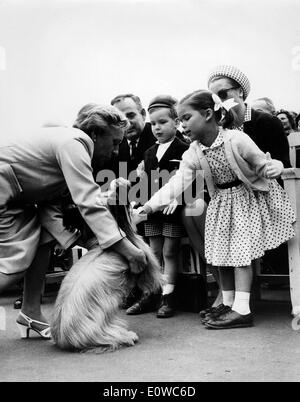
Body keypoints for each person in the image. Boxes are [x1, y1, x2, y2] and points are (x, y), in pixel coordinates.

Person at [138, 90, 295, 329]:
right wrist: (148, 207)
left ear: (208, 114)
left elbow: (262, 164)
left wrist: (275, 166)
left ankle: (243, 309)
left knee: (240, 253)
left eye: (186, 118)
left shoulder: (236, 139)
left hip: (247, 199)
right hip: (222, 201)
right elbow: (178, 183)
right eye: (179, 120)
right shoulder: (194, 150)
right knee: (221, 253)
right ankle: (229, 302)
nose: (182, 125)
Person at [0, 104, 148, 339]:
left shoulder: (67, 141)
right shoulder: (75, 143)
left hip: (14, 195)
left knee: (42, 239)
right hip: (4, 191)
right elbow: (87, 201)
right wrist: (128, 250)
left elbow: (50, 211)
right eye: (114, 142)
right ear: (96, 134)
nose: (116, 151)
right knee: (13, 263)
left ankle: (30, 313)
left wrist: (84, 243)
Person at [126, 95, 189, 318]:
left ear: (176, 122)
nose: (157, 128)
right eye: (153, 123)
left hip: (171, 210)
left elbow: (189, 180)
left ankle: (168, 297)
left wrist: (177, 199)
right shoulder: (149, 152)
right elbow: (147, 182)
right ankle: (152, 293)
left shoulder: (184, 148)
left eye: (163, 122)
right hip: (153, 211)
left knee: (170, 252)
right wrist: (137, 201)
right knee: (154, 252)